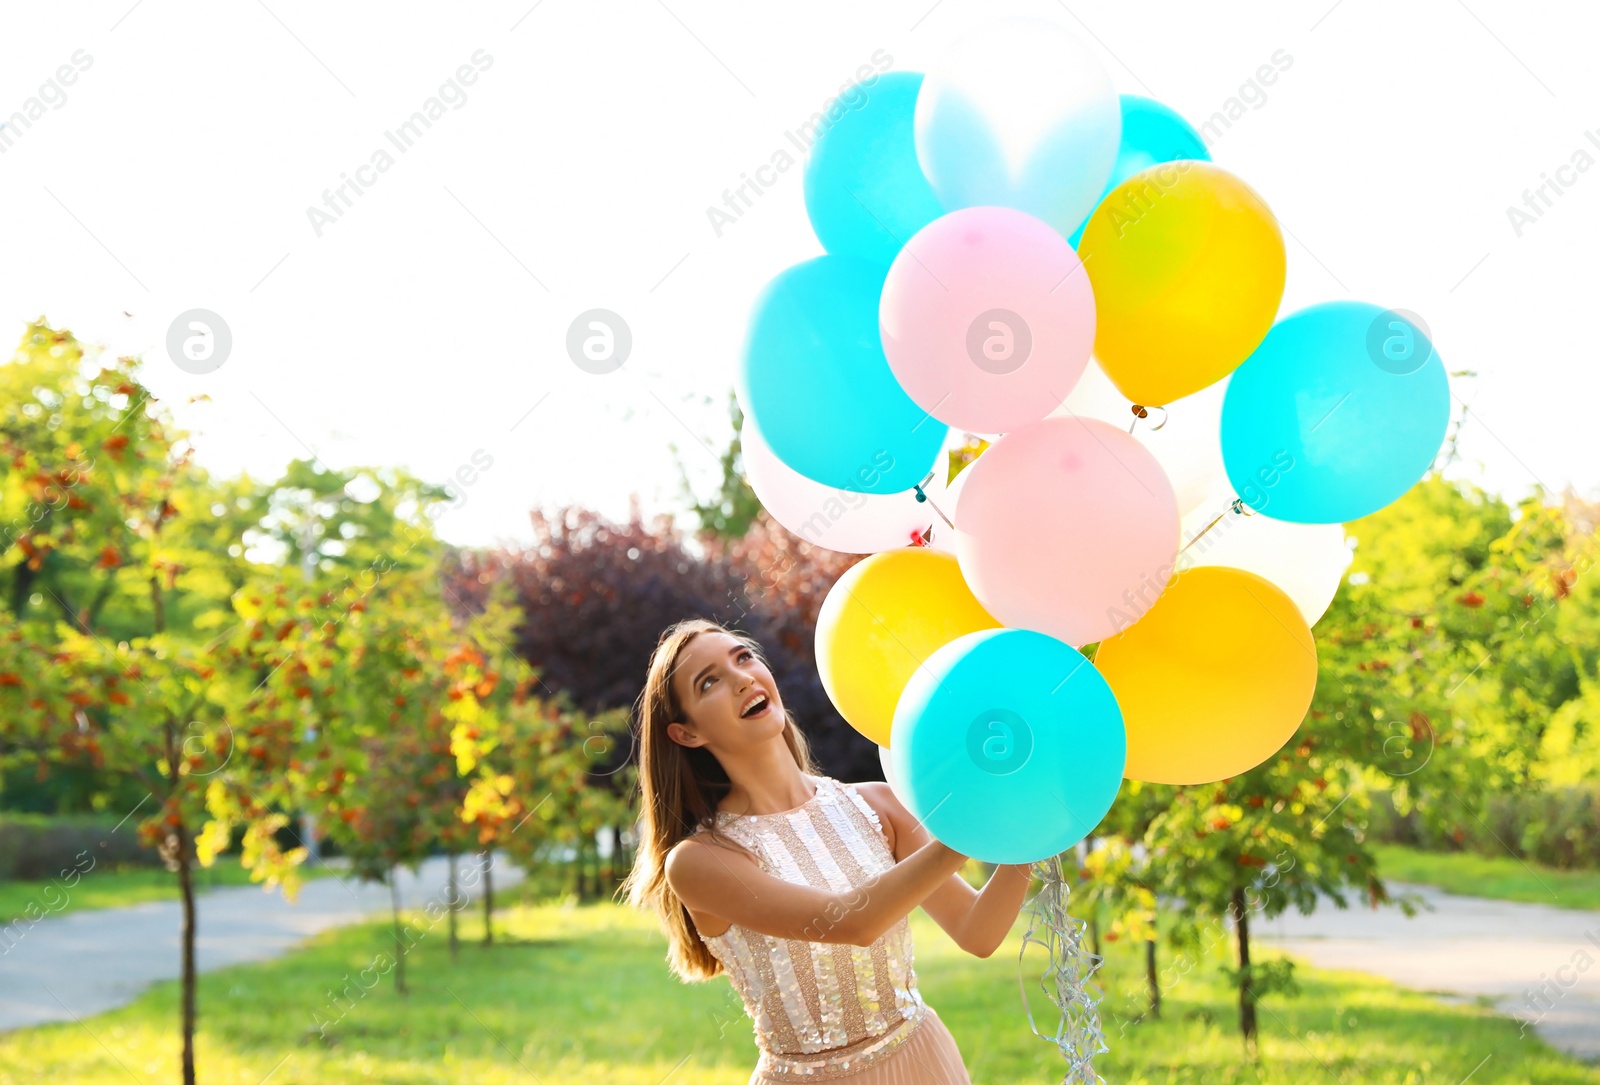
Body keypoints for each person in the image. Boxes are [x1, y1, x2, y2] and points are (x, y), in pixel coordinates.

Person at [622, 617, 1035, 1083]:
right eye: (710, 682)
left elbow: (977, 932)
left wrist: (1034, 832)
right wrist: (968, 825)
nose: (742, 678)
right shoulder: (700, 861)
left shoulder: (878, 803)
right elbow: (850, 921)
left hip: (925, 1061)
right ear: (687, 733)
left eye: (743, 657)